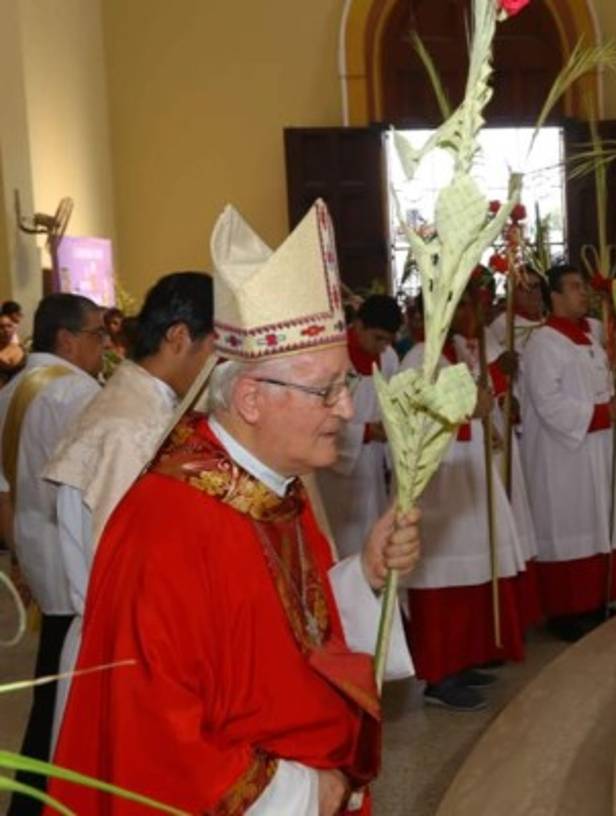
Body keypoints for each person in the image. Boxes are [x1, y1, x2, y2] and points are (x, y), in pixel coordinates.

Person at [49, 201, 417, 815]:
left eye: (344, 386)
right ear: (250, 397)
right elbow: (159, 742)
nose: (347, 410)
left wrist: (364, 576)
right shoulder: (165, 527)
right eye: (325, 390)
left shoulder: (274, 489)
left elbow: (292, 629)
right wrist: (306, 793)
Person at [42, 271, 214, 751]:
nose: (216, 367)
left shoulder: (140, 407)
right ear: (179, 337)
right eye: (214, 349)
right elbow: (138, 571)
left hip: (119, 642)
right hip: (123, 649)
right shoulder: (133, 427)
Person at [398, 283, 534, 711]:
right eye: (459, 310)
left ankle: (458, 662)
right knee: (440, 580)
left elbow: (473, 400)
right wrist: (467, 406)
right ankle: (438, 676)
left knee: (467, 575)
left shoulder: (451, 354)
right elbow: (421, 414)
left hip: (462, 476)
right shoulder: (420, 357)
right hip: (437, 484)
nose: (470, 316)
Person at [0, 293, 108, 815]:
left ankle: (30, 799)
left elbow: (2, 488)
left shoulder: (12, 388)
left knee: (51, 686)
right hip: (75, 560)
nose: (105, 345)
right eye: (96, 334)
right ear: (66, 338)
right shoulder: (79, 394)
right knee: (68, 696)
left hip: (37, 553)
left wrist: (18, 556)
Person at [519, 264, 616, 642]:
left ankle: (595, 599)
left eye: (583, 287)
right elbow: (547, 401)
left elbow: (605, 381)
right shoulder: (543, 342)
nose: (583, 293)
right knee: (569, 524)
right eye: (574, 287)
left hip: (596, 443)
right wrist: (601, 413)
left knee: (597, 523)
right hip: (563, 454)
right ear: (553, 296)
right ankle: (566, 610)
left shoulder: (590, 337)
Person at [315, 294, 402, 559]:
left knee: (375, 537)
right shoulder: (332, 357)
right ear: (359, 326)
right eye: (377, 338)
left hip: (373, 464)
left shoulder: (388, 359)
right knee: (343, 543)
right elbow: (319, 414)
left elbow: (393, 405)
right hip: (336, 467)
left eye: (388, 340)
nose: (383, 347)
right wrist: (363, 432)